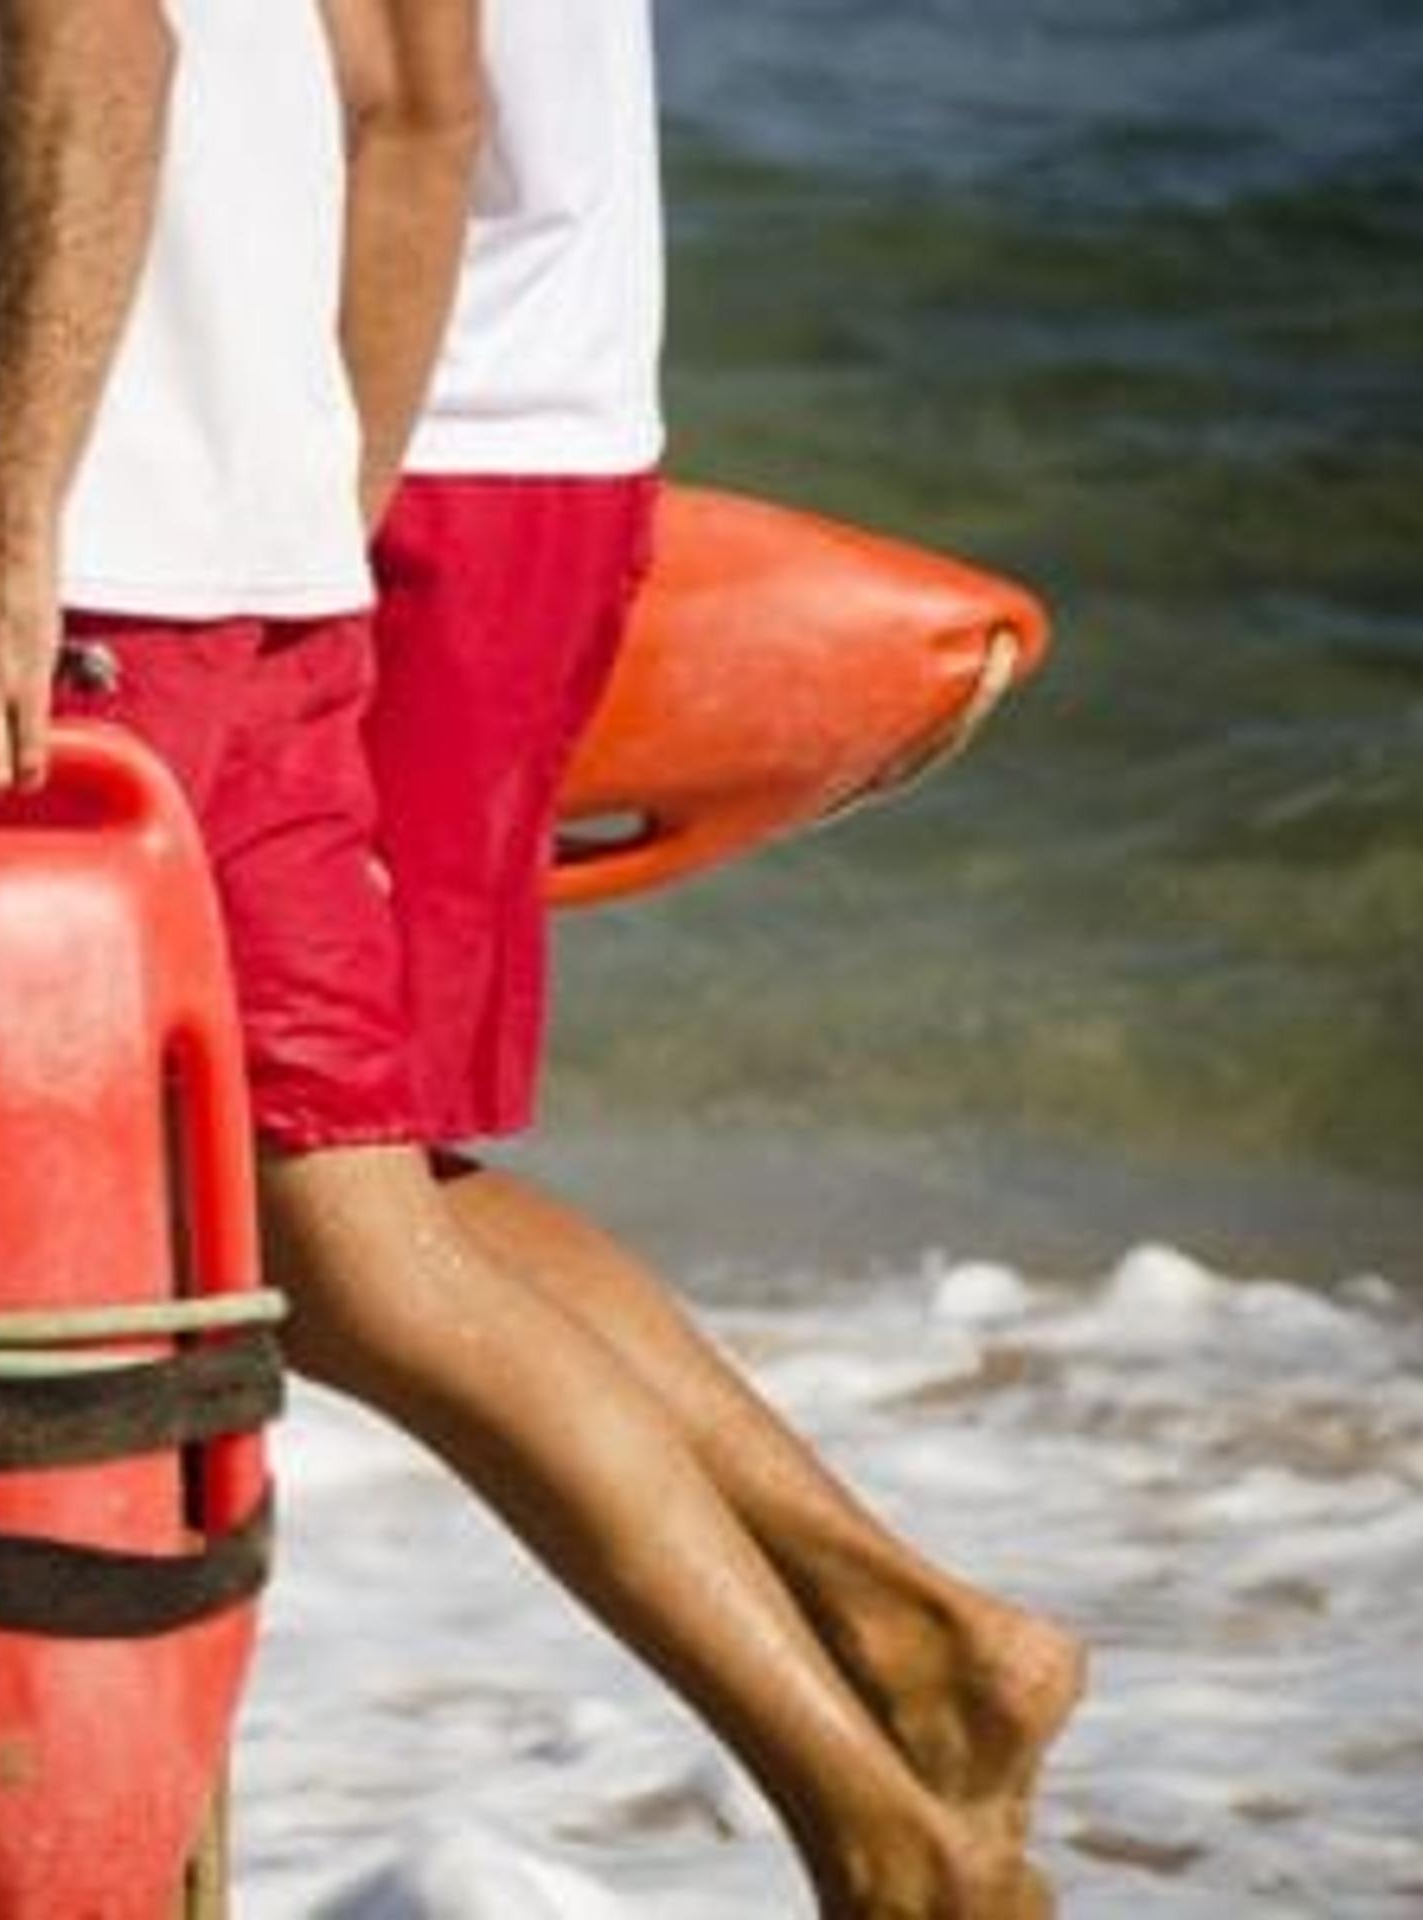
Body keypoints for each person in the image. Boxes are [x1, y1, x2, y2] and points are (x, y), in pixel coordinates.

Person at [0, 2, 1046, 1912]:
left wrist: (4, 547)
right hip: (241, 568)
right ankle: (880, 1820)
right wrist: (290, 549)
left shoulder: (3, 540)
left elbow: (103, 31)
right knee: (363, 1253)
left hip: (2, 557)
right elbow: (383, 96)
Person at [338, 0, 1087, 1862]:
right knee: (356, 1182)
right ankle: (910, 1646)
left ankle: (891, 1705)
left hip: (410, 454)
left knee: (304, 1199)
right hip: (462, 430)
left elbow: (401, 112)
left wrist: (289, 524)